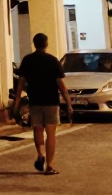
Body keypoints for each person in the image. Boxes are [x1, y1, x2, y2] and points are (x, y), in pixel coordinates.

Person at [13, 32, 72, 175]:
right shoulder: (53, 61)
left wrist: (16, 103)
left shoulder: (27, 60)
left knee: (37, 130)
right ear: (46, 44)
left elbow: (20, 84)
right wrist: (68, 103)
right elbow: (61, 85)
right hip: (51, 102)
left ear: (34, 44)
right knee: (50, 134)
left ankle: (40, 154)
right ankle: (49, 166)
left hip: (35, 101)